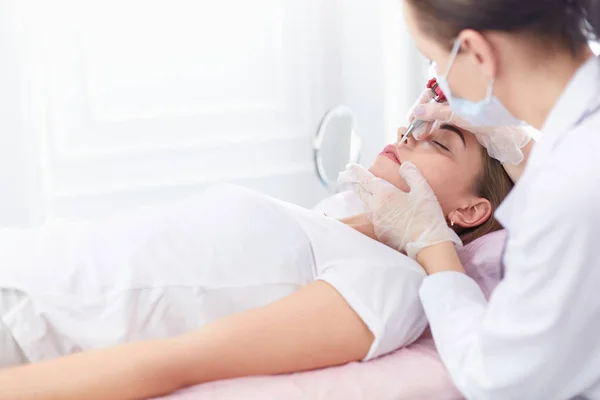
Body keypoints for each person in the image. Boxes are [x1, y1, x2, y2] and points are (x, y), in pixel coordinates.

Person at [0, 124, 514, 399]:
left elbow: (177, 360)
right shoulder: (324, 218)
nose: (412, 135)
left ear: (468, 211)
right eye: (416, 126)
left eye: (440, 143)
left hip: (25, 323)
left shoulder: (388, 282)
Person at [342, 1, 600, 399]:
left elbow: (500, 381)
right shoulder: (574, 155)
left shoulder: (572, 190)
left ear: (477, 53)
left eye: (433, 60)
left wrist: (431, 244)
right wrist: (520, 145)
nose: (408, 134)